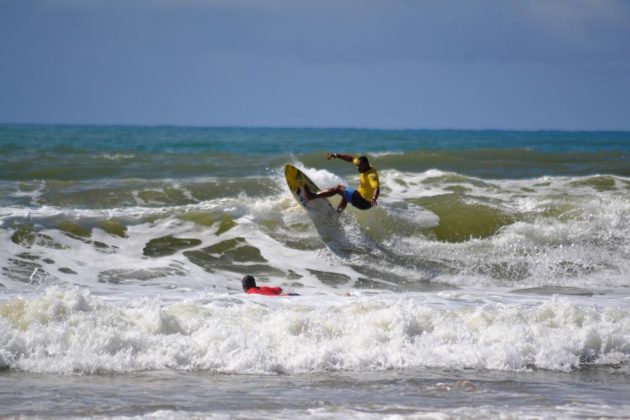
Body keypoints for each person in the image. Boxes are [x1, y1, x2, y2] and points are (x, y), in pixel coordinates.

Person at [304, 153, 380, 213]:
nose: (358, 168)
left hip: (363, 201)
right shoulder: (364, 165)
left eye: (360, 167)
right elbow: (351, 159)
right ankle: (337, 213)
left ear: (365, 166)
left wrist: (374, 198)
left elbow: (376, 188)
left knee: (338, 188)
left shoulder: (371, 176)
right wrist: (336, 155)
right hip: (363, 198)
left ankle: (311, 196)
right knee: (346, 195)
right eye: (358, 165)